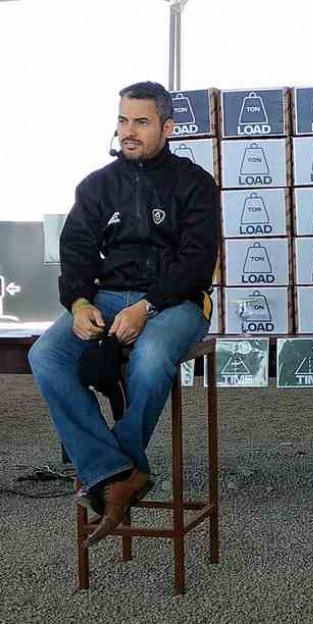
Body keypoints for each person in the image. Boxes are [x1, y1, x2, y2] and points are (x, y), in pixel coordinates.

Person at [28, 81, 219, 547]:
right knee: (45, 357)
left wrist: (146, 307)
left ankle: (113, 472)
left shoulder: (194, 183)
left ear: (167, 127)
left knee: (152, 357)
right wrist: (78, 303)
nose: (127, 131)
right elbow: (75, 249)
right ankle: (118, 472)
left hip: (178, 302)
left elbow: (196, 261)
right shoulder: (96, 185)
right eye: (122, 120)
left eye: (141, 121)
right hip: (106, 298)